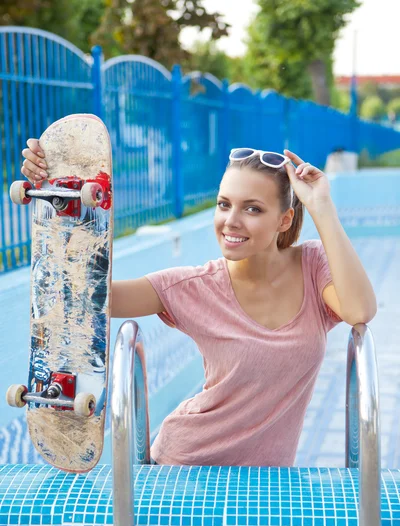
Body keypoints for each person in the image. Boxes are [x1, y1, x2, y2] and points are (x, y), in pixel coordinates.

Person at [21, 142, 377, 467]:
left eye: (252, 208)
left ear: (284, 220)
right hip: (184, 470)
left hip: (267, 482)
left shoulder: (312, 268)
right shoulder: (195, 286)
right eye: (224, 205)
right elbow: (87, 296)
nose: (231, 221)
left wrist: (322, 207)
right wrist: (56, 198)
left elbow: (359, 310)